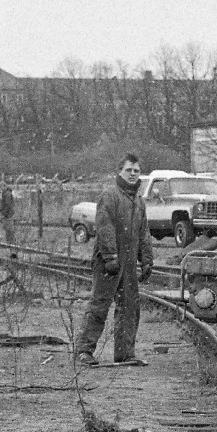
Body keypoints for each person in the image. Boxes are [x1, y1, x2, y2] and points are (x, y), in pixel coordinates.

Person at [75, 154, 154, 366]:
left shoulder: (138, 201)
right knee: (100, 305)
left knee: (129, 307)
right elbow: (104, 226)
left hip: (128, 262)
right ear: (120, 172)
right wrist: (110, 256)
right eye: (129, 170)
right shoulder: (110, 196)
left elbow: (143, 231)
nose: (133, 174)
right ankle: (84, 351)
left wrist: (146, 259)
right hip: (107, 261)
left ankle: (125, 353)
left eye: (136, 171)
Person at [0, 178, 16, 243]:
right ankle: (9, 241)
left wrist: (4, 213)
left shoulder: (7, 194)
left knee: (9, 228)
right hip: (8, 213)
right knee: (7, 228)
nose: (0, 189)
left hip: (8, 214)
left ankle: (10, 241)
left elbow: (7, 205)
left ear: (4, 186)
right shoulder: (5, 193)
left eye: (1, 187)